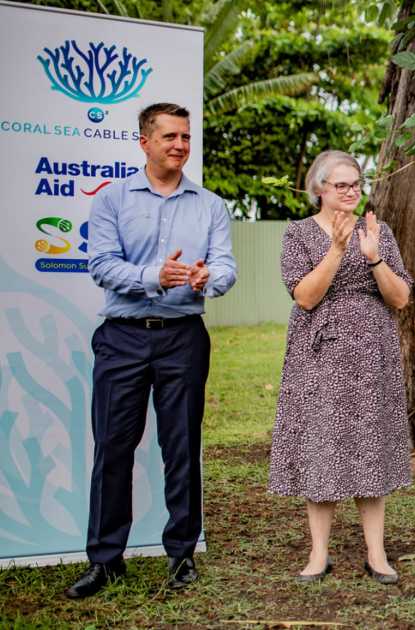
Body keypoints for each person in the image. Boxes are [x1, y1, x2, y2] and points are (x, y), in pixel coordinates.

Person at [66, 103, 237, 599]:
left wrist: (210, 278)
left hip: (183, 337)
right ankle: (105, 560)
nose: (180, 145)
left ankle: (182, 554)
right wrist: (152, 276)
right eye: (169, 137)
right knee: (113, 449)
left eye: (185, 137)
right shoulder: (112, 200)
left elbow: (226, 267)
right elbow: (99, 264)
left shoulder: (210, 205)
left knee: (181, 447)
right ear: (144, 142)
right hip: (121, 338)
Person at [267, 150, 413, 584]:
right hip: (320, 352)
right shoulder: (297, 234)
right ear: (320, 190)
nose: (351, 191)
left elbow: (401, 298)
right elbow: (306, 296)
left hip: (372, 351)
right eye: (341, 185)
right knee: (322, 445)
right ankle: (318, 554)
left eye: (356, 184)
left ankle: (377, 553)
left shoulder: (379, 232)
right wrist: (336, 249)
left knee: (370, 443)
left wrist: (373, 256)